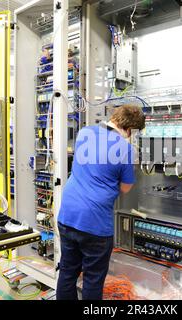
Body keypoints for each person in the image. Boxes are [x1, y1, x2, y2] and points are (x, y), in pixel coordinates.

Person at [56, 105, 146, 300]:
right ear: (130, 129)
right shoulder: (125, 148)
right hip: (94, 225)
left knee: (67, 271)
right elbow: (125, 188)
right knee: (93, 280)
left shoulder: (85, 132)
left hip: (67, 215)